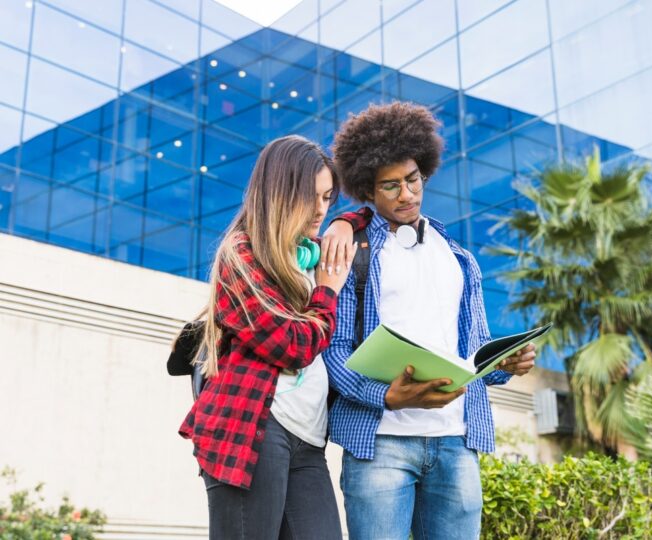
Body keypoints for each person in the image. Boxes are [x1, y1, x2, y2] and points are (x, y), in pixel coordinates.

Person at [323, 102, 537, 539]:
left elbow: (477, 352)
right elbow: (334, 349)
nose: (407, 194)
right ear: (368, 190)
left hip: (457, 443)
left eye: (413, 179)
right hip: (379, 444)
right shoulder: (352, 251)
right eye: (391, 186)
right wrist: (387, 397)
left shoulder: (458, 256)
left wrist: (506, 363)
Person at [178, 135, 359, 540]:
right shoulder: (241, 254)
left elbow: (362, 216)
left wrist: (347, 222)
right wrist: (326, 290)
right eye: (310, 197)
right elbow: (294, 346)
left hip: (309, 437)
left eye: (329, 198)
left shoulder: (307, 254)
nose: (321, 210)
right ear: (280, 193)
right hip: (254, 428)